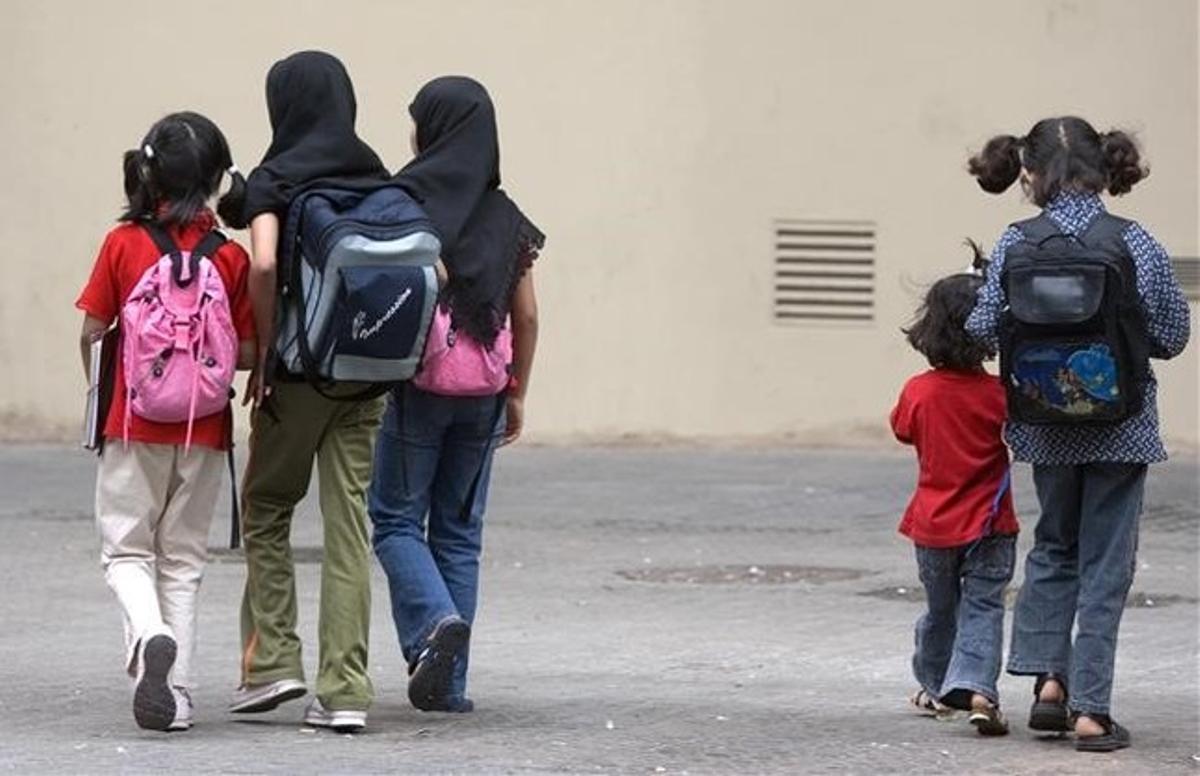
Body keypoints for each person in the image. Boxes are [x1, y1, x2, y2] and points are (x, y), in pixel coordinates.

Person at [965, 116, 1190, 752]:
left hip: (1044, 426)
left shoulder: (1015, 242)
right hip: (1121, 429)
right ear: (1104, 169)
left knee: (1054, 548)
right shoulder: (1135, 241)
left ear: (1028, 174)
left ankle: (1049, 684)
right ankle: (1093, 710)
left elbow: (984, 328)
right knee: (1106, 565)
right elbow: (1171, 336)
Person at [226, 50, 392, 733]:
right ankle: (346, 690)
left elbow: (263, 260)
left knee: (267, 507)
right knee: (349, 523)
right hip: (368, 376)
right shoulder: (377, 174)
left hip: (296, 377)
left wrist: (264, 351)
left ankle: (273, 666)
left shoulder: (277, 177)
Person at [368, 76, 544, 713]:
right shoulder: (506, 215)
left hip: (420, 386)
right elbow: (525, 315)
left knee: (393, 520)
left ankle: (431, 626)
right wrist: (517, 392)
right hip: (486, 393)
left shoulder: (406, 200)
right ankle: (452, 686)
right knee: (459, 534)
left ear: (433, 130)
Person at [76, 112, 254, 731]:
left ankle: (149, 634)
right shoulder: (229, 258)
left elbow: (93, 330)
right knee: (183, 560)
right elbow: (247, 351)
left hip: (133, 424)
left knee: (126, 551)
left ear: (147, 176)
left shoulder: (123, 245)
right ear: (214, 183)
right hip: (204, 430)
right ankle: (175, 701)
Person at [891, 246, 1018, 736]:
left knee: (941, 609)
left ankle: (937, 687)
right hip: (991, 523)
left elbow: (903, 430)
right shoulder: (997, 395)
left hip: (934, 524)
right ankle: (981, 691)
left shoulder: (918, 392)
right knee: (984, 605)